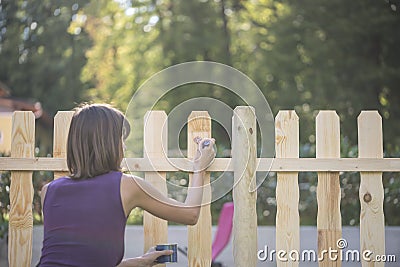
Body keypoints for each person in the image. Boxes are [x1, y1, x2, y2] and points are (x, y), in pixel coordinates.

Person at [37, 103, 216, 267]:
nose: (124, 146)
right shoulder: (126, 185)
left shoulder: (49, 190)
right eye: (121, 139)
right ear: (107, 143)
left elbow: (75, 258)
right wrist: (199, 168)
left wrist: (140, 261)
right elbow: (190, 214)